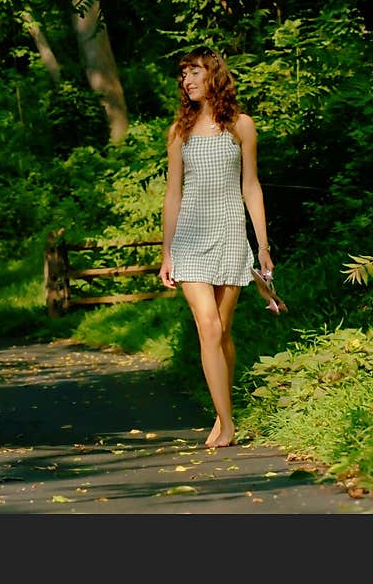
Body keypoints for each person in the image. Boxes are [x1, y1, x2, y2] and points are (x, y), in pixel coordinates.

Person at [157, 46, 274, 448]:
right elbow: (173, 195)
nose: (187, 81)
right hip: (189, 238)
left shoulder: (241, 125)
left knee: (222, 332)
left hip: (229, 234)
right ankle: (227, 423)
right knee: (207, 326)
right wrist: (166, 253)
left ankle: (222, 413)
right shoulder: (179, 132)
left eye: (194, 73)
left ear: (214, 77)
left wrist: (262, 246)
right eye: (183, 75)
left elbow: (251, 186)